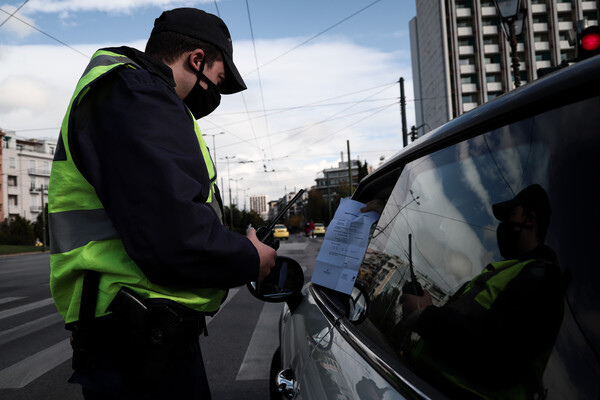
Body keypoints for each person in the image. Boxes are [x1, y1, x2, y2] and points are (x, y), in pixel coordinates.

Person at [48, 8, 277, 399]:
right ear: (197, 60)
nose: (215, 96)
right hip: (138, 343)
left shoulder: (132, 96)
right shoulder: (136, 94)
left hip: (142, 335)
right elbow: (173, 234)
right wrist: (250, 257)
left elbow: (163, 212)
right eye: (217, 82)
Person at [401, 184, 564, 399]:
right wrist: (430, 309)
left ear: (530, 219)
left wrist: (426, 315)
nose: (502, 225)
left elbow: (500, 356)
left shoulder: (543, 280)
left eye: (510, 215)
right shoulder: (515, 271)